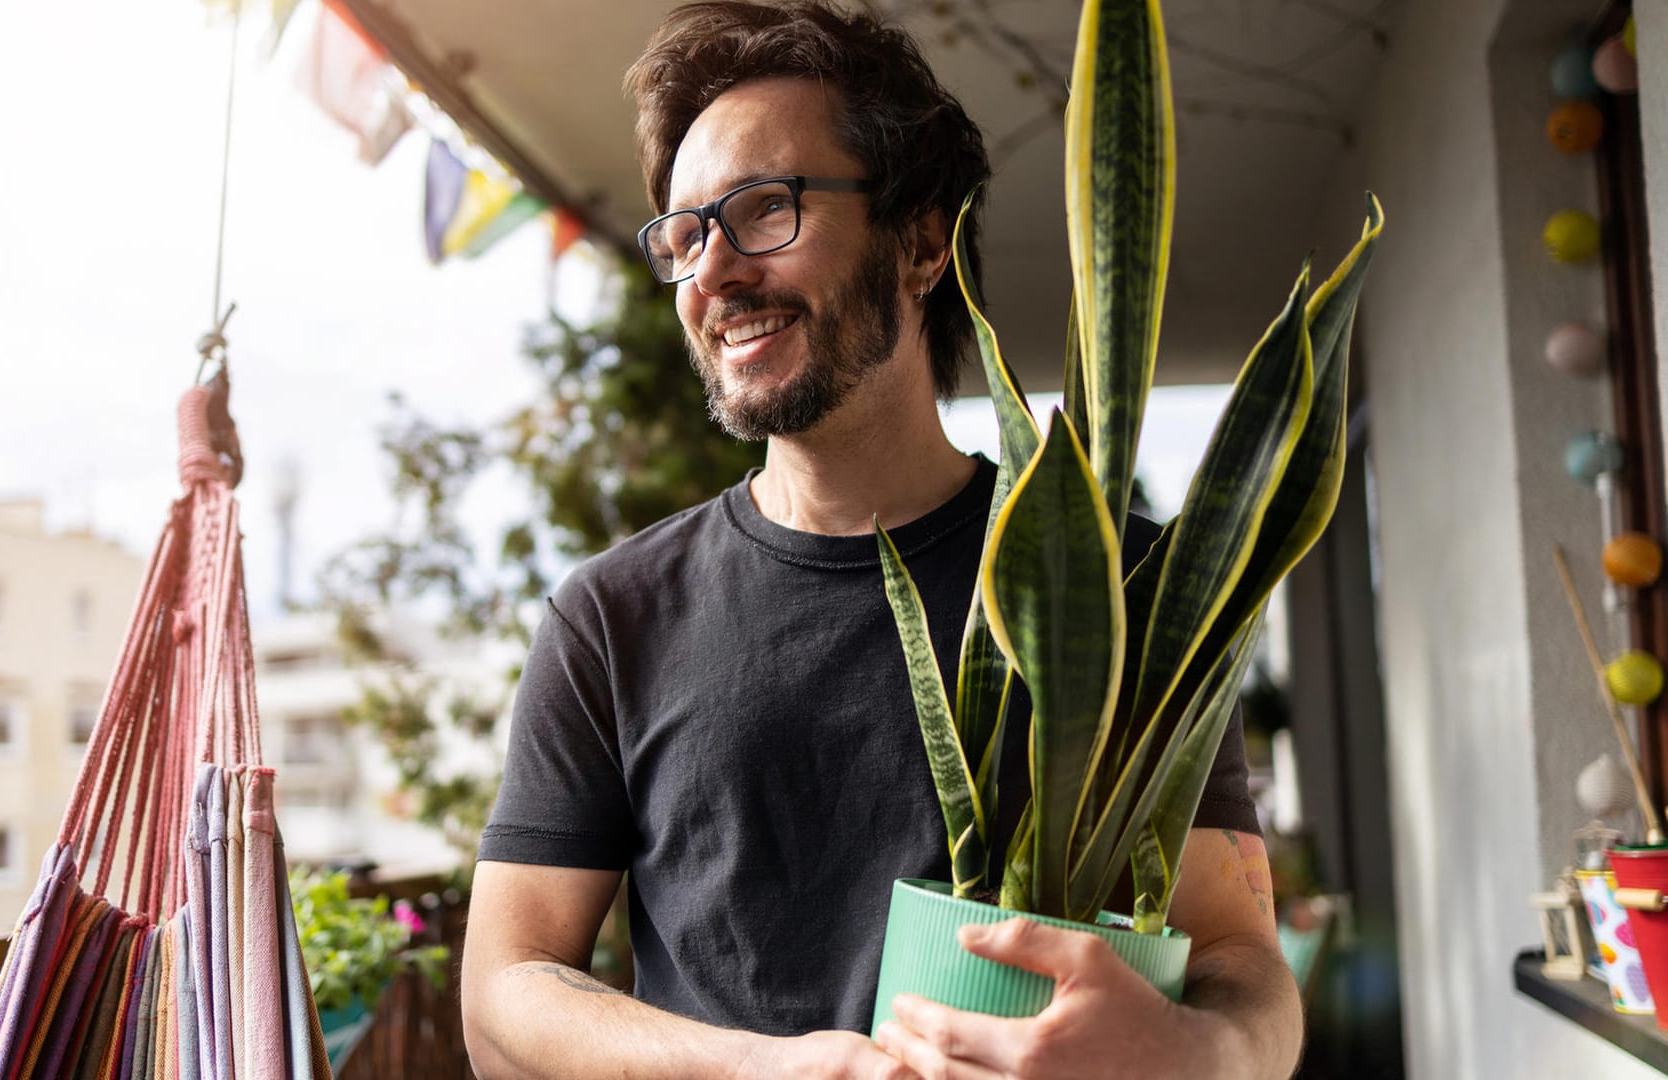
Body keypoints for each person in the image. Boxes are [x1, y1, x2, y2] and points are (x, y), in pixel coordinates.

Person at [459, 3, 1301, 1078]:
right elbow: (503, 997)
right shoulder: (612, 617)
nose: (711, 272)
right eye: (685, 234)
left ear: (919, 242)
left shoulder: (1124, 588)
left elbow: (1243, 959)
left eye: (765, 208)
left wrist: (1197, 1054)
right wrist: (782, 1070)